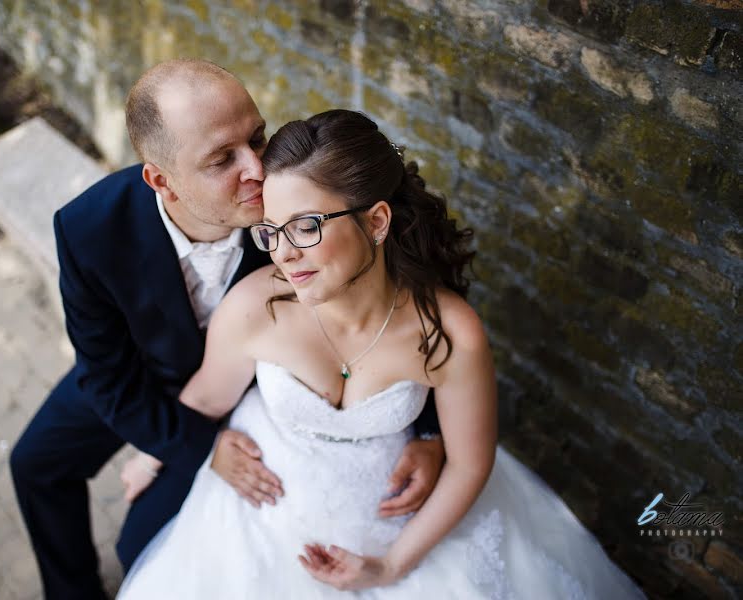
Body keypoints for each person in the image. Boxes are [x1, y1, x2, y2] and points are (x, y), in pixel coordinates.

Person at [117, 109, 646, 598]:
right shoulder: (257, 305)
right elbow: (209, 396)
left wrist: (390, 565)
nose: (284, 251)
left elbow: (469, 464)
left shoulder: (449, 333)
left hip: (397, 524)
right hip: (260, 511)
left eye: (305, 226)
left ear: (376, 221)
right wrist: (152, 454)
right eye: (272, 229)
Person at [9, 61, 445, 600]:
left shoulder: (294, 192)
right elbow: (106, 379)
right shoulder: (88, 229)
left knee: (143, 544)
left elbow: (401, 284)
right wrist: (202, 446)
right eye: (222, 159)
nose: (259, 170)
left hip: (270, 381)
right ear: (160, 180)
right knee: (34, 464)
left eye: (257, 138)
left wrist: (428, 429)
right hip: (143, 379)